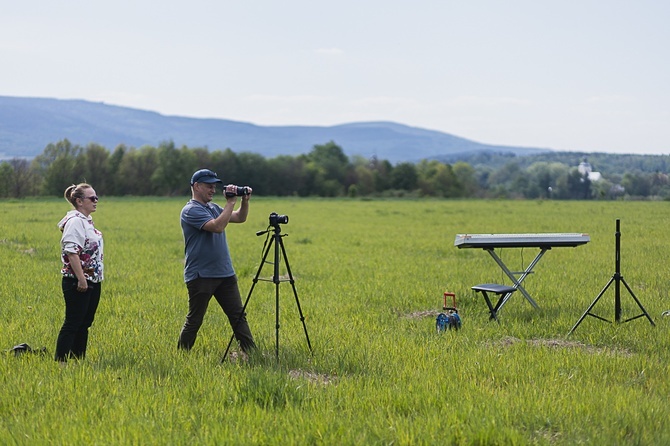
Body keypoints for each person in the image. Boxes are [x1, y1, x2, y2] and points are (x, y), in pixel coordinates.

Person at [177, 168, 256, 358]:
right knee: (195, 319)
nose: (213, 190)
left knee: (238, 316)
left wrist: (244, 200)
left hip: (225, 273)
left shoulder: (213, 208)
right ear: (196, 186)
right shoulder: (190, 210)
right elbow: (218, 227)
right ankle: (181, 355)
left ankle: (253, 353)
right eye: (209, 186)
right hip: (201, 275)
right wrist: (230, 202)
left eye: (215, 186)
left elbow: (239, 217)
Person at [55, 183, 104, 363]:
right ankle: (61, 361)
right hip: (77, 281)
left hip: (92, 280)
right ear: (79, 201)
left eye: (96, 197)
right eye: (92, 198)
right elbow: (71, 251)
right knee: (73, 323)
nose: (96, 201)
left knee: (84, 323)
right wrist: (82, 279)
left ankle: (77, 360)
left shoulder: (85, 221)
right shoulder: (75, 221)